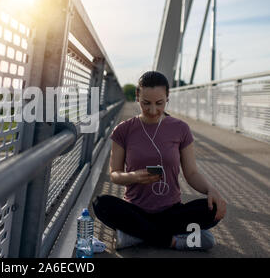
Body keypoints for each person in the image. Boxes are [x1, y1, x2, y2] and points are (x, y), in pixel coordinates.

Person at [92, 71, 227, 251]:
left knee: (211, 208)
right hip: (136, 210)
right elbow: (114, 174)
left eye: (159, 103)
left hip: (171, 211)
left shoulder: (181, 129)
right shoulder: (123, 130)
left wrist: (211, 190)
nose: (153, 110)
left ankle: (136, 236)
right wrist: (133, 177)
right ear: (137, 96)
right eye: (146, 103)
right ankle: (172, 240)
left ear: (167, 98)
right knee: (100, 203)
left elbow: (192, 173)